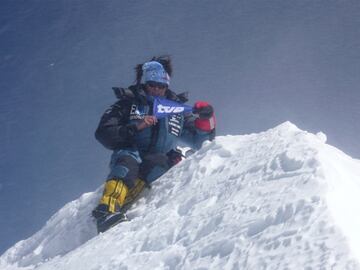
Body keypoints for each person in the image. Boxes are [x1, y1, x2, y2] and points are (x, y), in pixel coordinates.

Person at [92, 56, 216, 232]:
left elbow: (202, 142)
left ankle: (123, 207)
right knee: (127, 163)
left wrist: (206, 118)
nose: (157, 90)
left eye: (161, 86)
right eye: (152, 85)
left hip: (157, 163)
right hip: (130, 153)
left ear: (167, 86)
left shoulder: (176, 111)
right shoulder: (128, 103)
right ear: (145, 83)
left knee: (159, 163)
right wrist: (135, 127)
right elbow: (104, 133)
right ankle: (106, 211)